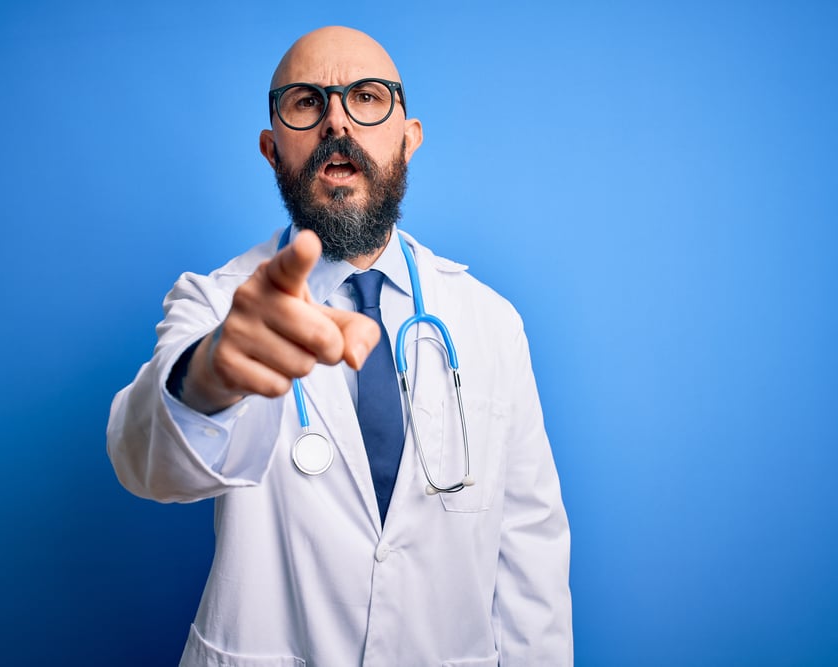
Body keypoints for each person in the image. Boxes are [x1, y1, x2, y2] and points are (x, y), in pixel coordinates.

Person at [107, 25, 572, 666]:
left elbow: (532, 557)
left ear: (408, 138)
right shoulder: (219, 303)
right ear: (273, 151)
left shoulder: (490, 321)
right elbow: (147, 463)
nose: (336, 122)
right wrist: (210, 376)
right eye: (306, 102)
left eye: (368, 97)